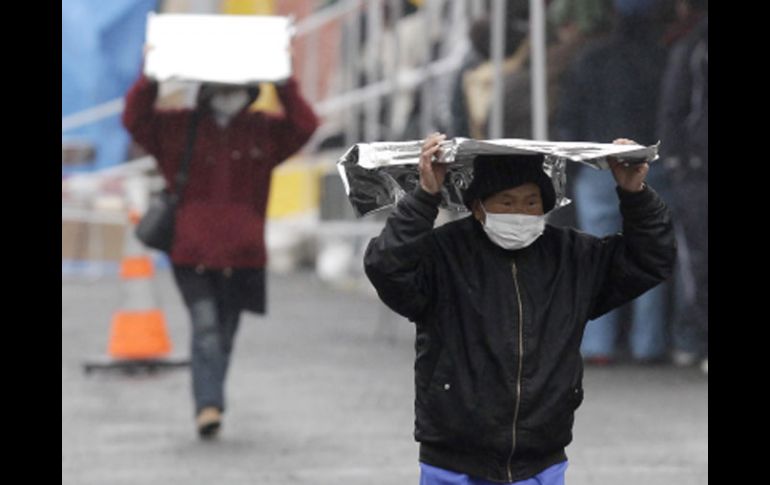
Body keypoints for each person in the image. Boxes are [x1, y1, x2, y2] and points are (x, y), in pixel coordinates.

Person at [363, 132, 676, 484]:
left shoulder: (572, 257)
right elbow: (387, 268)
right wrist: (424, 198)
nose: (520, 213)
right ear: (478, 207)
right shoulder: (444, 255)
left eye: (531, 203)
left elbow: (651, 258)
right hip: (453, 462)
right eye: (506, 203)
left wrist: (635, 194)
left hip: (541, 460)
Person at [122, 57, 319, 439]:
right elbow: (134, 119)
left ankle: (210, 399)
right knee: (207, 328)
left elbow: (305, 125)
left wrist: (282, 79)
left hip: (243, 257)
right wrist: (149, 75)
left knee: (224, 335)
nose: (228, 95)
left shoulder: (263, 130)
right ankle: (208, 406)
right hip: (190, 253)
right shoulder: (178, 126)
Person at [554, 0, 672, 364]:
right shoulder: (663, 59)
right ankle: (647, 344)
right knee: (648, 252)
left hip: (597, 166)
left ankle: (598, 345)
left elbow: (569, 116)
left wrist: (570, 169)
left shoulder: (590, 59)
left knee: (599, 257)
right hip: (649, 164)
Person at [657, 0, 707, 373]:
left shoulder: (691, 46)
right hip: (696, 169)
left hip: (697, 170)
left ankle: (698, 341)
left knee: (698, 258)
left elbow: (673, 107)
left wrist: (677, 161)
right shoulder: (694, 47)